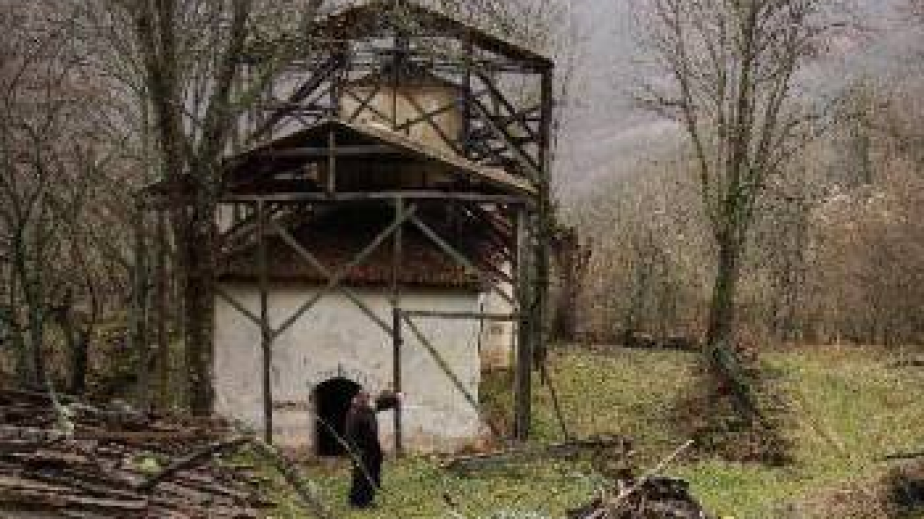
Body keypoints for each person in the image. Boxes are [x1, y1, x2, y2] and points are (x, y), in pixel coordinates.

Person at [344, 389, 401, 509]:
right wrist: (356, 452)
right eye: (365, 398)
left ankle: (367, 500)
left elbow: (381, 404)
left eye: (368, 398)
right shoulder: (354, 413)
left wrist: (395, 398)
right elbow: (349, 435)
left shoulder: (368, 409)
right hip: (361, 451)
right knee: (361, 476)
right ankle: (357, 502)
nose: (368, 400)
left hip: (371, 450)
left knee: (372, 474)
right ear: (358, 400)